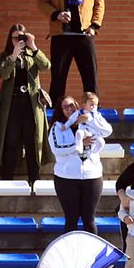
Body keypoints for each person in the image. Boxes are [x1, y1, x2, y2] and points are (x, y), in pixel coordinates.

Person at [38, 0, 103, 108]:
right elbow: (42, 2)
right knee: (58, 78)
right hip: (61, 35)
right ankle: (55, 115)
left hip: (84, 36)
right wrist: (57, 14)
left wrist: (94, 27)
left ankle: (93, 111)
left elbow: (99, 3)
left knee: (90, 76)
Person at [0, 23, 50, 185]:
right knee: (11, 141)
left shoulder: (32, 54)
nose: (19, 40)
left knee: (32, 142)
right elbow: (3, 74)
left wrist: (33, 46)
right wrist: (13, 55)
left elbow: (46, 65)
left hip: (30, 105)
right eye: (15, 38)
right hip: (12, 104)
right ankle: (7, 180)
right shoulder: (5, 56)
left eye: (22, 37)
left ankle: (35, 181)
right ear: (10, 39)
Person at [48, 93, 109, 236]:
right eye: (65, 107)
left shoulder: (91, 120)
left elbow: (107, 131)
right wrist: (79, 144)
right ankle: (71, 255)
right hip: (66, 178)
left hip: (92, 176)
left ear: (78, 106)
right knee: (71, 219)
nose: (69, 109)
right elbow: (57, 149)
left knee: (89, 219)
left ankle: (93, 256)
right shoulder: (58, 127)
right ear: (60, 110)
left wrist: (91, 119)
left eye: (71, 105)